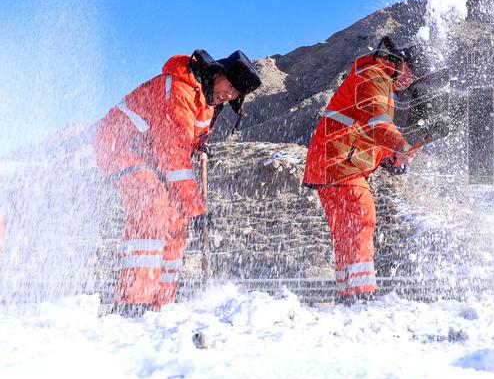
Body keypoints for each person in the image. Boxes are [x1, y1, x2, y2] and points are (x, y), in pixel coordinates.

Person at [93, 50, 262, 316]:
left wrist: (200, 146)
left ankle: (161, 304)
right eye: (229, 87)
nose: (229, 96)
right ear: (218, 73)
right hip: (119, 143)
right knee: (152, 203)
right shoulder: (181, 90)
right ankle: (132, 302)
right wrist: (196, 208)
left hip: (150, 152)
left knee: (177, 219)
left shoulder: (207, 101)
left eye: (235, 94)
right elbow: (173, 153)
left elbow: (186, 140)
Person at [302, 37, 426, 303]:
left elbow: (369, 133)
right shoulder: (375, 74)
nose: (409, 83)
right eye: (411, 75)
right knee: (361, 216)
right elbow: (378, 126)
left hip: (332, 161)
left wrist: (390, 158)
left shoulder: (376, 78)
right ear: (402, 64)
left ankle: (350, 293)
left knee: (347, 229)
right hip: (338, 162)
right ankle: (360, 295)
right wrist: (401, 146)